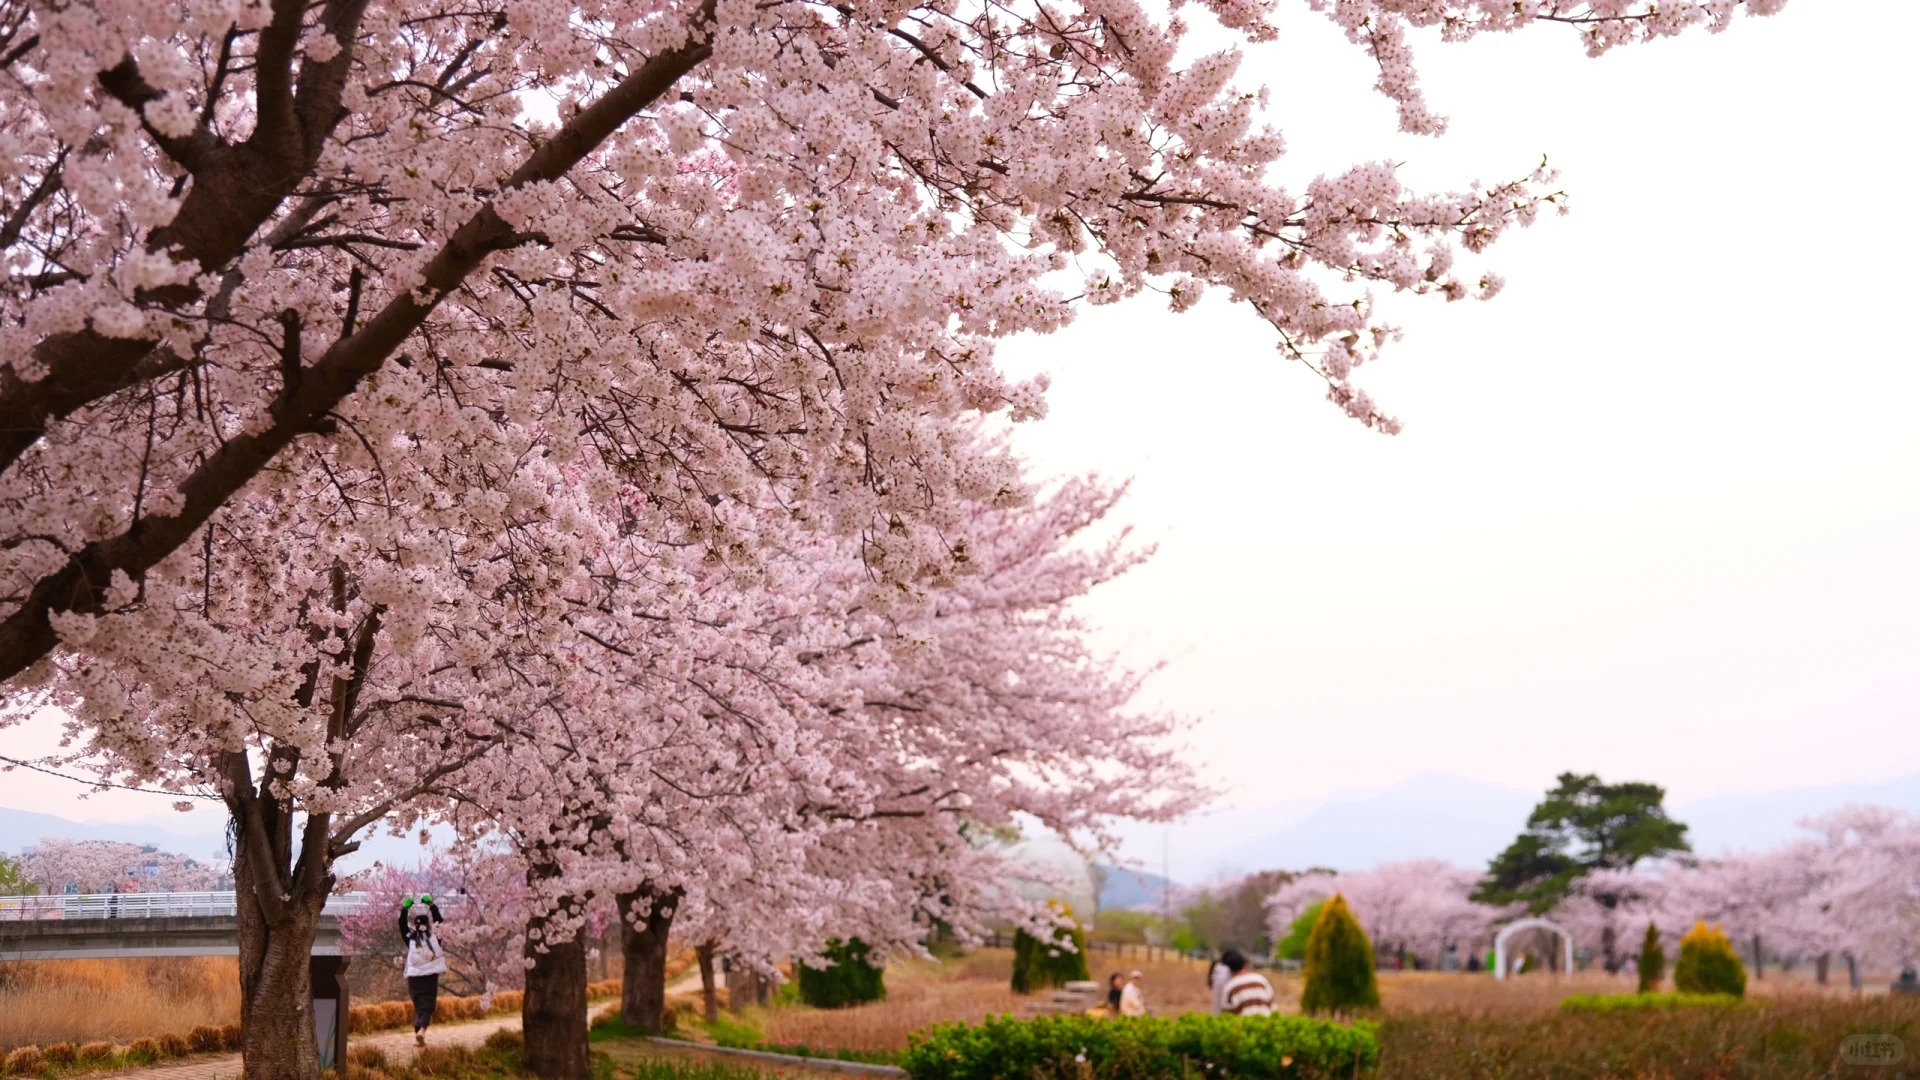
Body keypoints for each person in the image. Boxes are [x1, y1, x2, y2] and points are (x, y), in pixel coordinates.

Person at [400, 894, 448, 1046]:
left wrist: (405, 909)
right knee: (427, 1007)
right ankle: (422, 1031)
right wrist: (432, 906)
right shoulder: (435, 938)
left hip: (414, 979)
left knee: (419, 1007)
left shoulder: (410, 938)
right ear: (428, 925)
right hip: (429, 978)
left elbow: (401, 926)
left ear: (415, 925)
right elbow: (440, 922)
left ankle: (419, 1038)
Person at [1219, 949, 1274, 1016]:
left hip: (1244, 1024)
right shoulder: (1261, 980)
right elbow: (1272, 1004)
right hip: (1267, 1023)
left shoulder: (1229, 987)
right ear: (1244, 964)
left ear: (1228, 969)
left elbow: (1226, 1015)